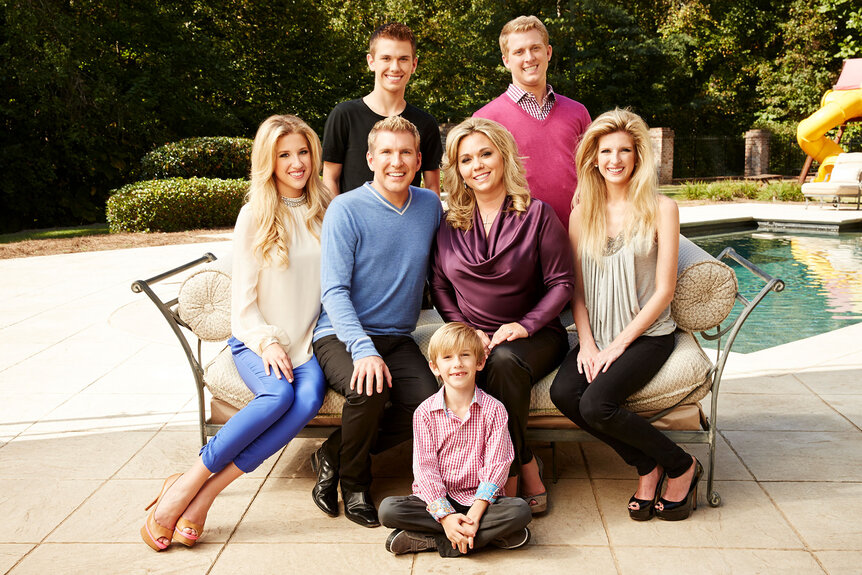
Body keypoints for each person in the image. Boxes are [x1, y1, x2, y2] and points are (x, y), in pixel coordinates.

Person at [140, 115, 330, 551]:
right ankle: (187, 485)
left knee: (305, 399)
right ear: (269, 161)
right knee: (278, 396)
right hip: (255, 337)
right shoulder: (255, 215)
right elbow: (241, 303)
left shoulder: (326, 206)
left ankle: (202, 492)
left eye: (303, 152)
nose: (297, 163)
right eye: (285, 155)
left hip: (306, 343)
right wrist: (266, 340)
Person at [549, 108, 702, 522]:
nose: (614, 159)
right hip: (595, 334)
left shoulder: (662, 209)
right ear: (593, 159)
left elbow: (665, 289)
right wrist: (588, 343)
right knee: (564, 395)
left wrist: (616, 346)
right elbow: (575, 288)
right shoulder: (581, 213)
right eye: (606, 151)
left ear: (637, 157)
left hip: (647, 334)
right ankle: (647, 465)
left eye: (624, 151)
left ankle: (681, 465)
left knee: (597, 405)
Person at [429, 117, 574, 514]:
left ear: (504, 156)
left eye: (485, 154)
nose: (477, 165)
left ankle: (515, 472)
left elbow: (563, 282)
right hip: (473, 334)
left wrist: (523, 325)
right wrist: (466, 331)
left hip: (536, 332)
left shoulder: (538, 214)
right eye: (466, 159)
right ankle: (521, 460)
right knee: (469, 364)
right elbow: (440, 286)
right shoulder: (449, 222)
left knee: (505, 362)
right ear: (457, 169)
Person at [311, 116, 442, 528]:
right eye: (386, 152)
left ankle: (333, 451)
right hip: (340, 332)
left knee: (425, 404)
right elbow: (333, 291)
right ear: (370, 158)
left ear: (419, 159)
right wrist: (362, 349)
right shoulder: (345, 209)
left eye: (405, 152)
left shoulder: (429, 206)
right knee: (366, 388)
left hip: (396, 335)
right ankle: (354, 484)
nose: (396, 161)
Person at [379, 323, 532, 557]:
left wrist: (475, 515)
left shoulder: (495, 410)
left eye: (465, 356)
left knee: (519, 510)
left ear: (479, 362)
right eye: (448, 357)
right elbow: (425, 469)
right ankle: (482, 538)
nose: (457, 364)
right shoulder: (424, 413)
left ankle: (433, 540)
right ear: (435, 367)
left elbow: (497, 466)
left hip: (481, 501)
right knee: (388, 510)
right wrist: (447, 517)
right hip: (438, 500)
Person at [473, 15, 590, 229]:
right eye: (519, 52)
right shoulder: (485, 120)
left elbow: (594, 176)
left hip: (578, 237)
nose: (529, 57)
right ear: (506, 60)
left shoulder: (578, 112)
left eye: (535, 48)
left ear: (548, 52)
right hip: (516, 243)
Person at [322, 22, 443, 196]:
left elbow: (432, 187)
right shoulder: (344, 116)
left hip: (406, 220)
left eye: (403, 59)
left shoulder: (425, 123)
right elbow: (330, 180)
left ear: (414, 64)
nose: (395, 67)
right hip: (354, 221)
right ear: (371, 62)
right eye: (386, 58)